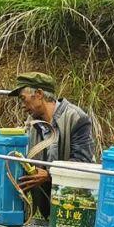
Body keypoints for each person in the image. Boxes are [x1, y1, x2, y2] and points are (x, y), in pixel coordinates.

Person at [10, 72, 95, 218]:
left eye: (23, 99)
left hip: (74, 207)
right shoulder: (32, 124)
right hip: (48, 207)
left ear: (39, 94)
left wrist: (49, 174)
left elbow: (83, 163)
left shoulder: (76, 118)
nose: (23, 106)